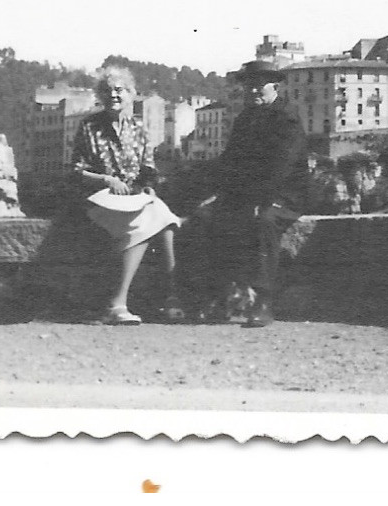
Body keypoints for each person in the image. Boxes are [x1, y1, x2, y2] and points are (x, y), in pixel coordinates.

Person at [196, 58, 308, 328]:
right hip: (250, 193)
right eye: (249, 87)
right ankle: (224, 296)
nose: (254, 91)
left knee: (264, 222)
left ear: (275, 87)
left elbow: (282, 166)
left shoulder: (287, 118)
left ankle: (263, 300)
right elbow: (230, 162)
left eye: (260, 86)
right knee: (208, 218)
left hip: (285, 195)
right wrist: (216, 192)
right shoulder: (245, 119)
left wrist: (260, 200)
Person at [71, 66, 183, 325]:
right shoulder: (89, 127)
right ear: (101, 95)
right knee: (147, 223)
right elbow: (76, 171)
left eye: (119, 90)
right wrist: (106, 179)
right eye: (108, 91)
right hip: (99, 198)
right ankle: (117, 303)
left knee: (165, 220)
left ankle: (172, 297)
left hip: (131, 198)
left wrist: (147, 185)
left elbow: (148, 167)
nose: (114, 95)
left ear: (131, 94)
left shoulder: (139, 128)